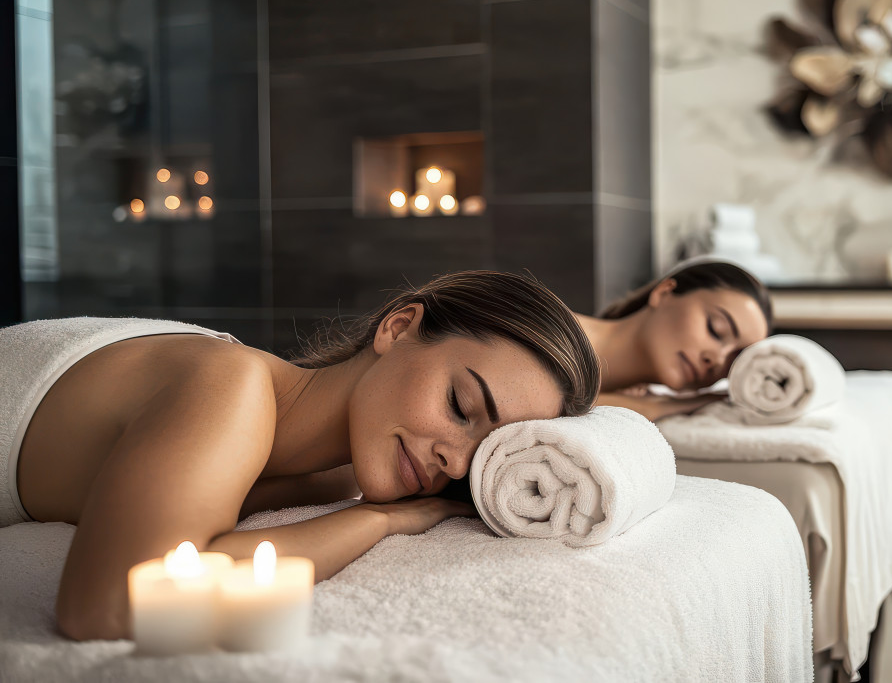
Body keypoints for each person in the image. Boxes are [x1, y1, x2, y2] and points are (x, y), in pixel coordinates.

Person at [2, 271, 599, 642]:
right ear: (397, 328)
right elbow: (108, 605)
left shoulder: (334, 478)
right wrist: (379, 521)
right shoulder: (229, 385)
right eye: (460, 405)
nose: (457, 464)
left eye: (484, 451)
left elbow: (193, 556)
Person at [574, 259, 772, 421]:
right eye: (715, 329)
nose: (718, 360)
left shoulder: (635, 394)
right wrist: (652, 407)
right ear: (664, 293)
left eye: (733, 359)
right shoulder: (555, 335)